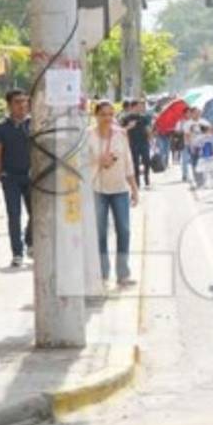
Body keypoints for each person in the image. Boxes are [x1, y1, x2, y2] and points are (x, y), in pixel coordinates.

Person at [87, 101, 139, 286]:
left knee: (124, 231)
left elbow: (128, 161)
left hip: (120, 189)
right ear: (96, 116)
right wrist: (99, 161)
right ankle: (102, 273)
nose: (107, 118)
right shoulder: (88, 136)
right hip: (98, 190)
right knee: (100, 233)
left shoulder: (121, 135)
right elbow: (81, 164)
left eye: (111, 114)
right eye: (103, 114)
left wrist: (134, 188)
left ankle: (123, 273)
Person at [0, 89, 33, 267]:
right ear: (9, 105)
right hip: (11, 178)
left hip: (33, 177)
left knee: (37, 214)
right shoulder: (2, 128)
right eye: (17, 102)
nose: (22, 105)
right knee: (13, 215)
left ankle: (30, 240)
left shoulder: (35, 125)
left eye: (24, 101)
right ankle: (17, 252)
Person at [122, 98, 153, 189]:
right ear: (133, 107)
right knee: (135, 163)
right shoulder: (126, 118)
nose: (140, 107)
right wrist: (129, 126)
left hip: (144, 142)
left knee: (146, 161)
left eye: (141, 106)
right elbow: (122, 131)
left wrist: (150, 138)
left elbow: (148, 129)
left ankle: (147, 180)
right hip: (132, 143)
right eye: (138, 106)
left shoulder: (144, 117)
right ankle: (137, 182)